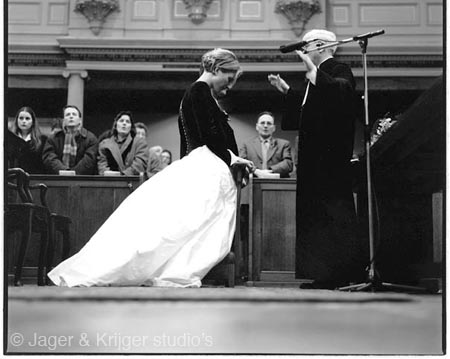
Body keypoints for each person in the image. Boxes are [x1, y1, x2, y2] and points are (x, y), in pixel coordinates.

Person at [48, 48, 254, 287]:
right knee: (177, 225)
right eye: (229, 79)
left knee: (180, 224)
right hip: (205, 165)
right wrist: (233, 158)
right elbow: (210, 134)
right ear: (217, 69)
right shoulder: (200, 91)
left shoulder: (197, 93)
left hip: (201, 163)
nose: (229, 87)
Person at [268, 29, 362, 289]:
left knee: (331, 214)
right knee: (316, 215)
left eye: (307, 45)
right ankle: (324, 274)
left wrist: (316, 73)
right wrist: (288, 92)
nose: (304, 50)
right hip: (315, 159)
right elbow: (310, 115)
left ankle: (339, 273)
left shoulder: (339, 69)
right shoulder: (316, 77)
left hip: (330, 161)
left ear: (320, 46)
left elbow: (343, 95)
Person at [42, 105, 98, 175]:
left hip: (83, 179)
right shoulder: (53, 138)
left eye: (74, 114)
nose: (71, 116)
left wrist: (73, 173)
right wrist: (64, 171)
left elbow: (89, 160)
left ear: (80, 119)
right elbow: (49, 158)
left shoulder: (90, 139)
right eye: (68, 115)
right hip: (58, 178)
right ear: (63, 120)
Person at [239, 111, 293, 178]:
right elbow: (241, 163)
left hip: (276, 183)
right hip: (253, 183)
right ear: (257, 127)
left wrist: (270, 170)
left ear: (274, 128)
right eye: (262, 123)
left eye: (269, 123)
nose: (265, 126)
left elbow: (288, 164)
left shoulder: (284, 144)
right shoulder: (246, 144)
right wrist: (256, 171)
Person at [97, 111, 148, 176]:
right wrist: (108, 174)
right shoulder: (104, 144)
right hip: (110, 182)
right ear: (115, 125)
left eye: (127, 121)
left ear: (131, 126)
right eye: (121, 121)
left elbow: (140, 164)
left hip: (131, 182)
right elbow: (102, 165)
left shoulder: (139, 143)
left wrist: (122, 175)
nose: (124, 123)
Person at [7, 106, 47, 173]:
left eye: (27, 118)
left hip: (34, 179)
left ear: (33, 121)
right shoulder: (9, 139)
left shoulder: (42, 140)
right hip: (14, 179)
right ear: (17, 120)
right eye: (21, 118)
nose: (24, 121)